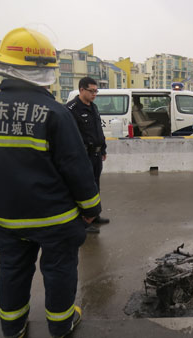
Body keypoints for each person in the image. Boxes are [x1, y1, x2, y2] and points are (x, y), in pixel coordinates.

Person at [0, 27, 101, 338]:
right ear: (46, 71)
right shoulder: (55, 113)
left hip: (8, 218)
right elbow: (76, 168)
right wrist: (91, 208)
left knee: (13, 270)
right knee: (59, 271)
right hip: (55, 218)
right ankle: (60, 325)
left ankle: (13, 327)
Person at [66, 77, 109, 233]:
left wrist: (103, 149)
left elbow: (98, 131)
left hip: (96, 155)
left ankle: (94, 215)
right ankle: (83, 222)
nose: (94, 94)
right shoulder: (71, 109)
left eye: (96, 91)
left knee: (95, 186)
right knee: (83, 188)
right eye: (91, 91)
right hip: (83, 156)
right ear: (81, 90)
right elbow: (70, 136)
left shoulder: (93, 107)